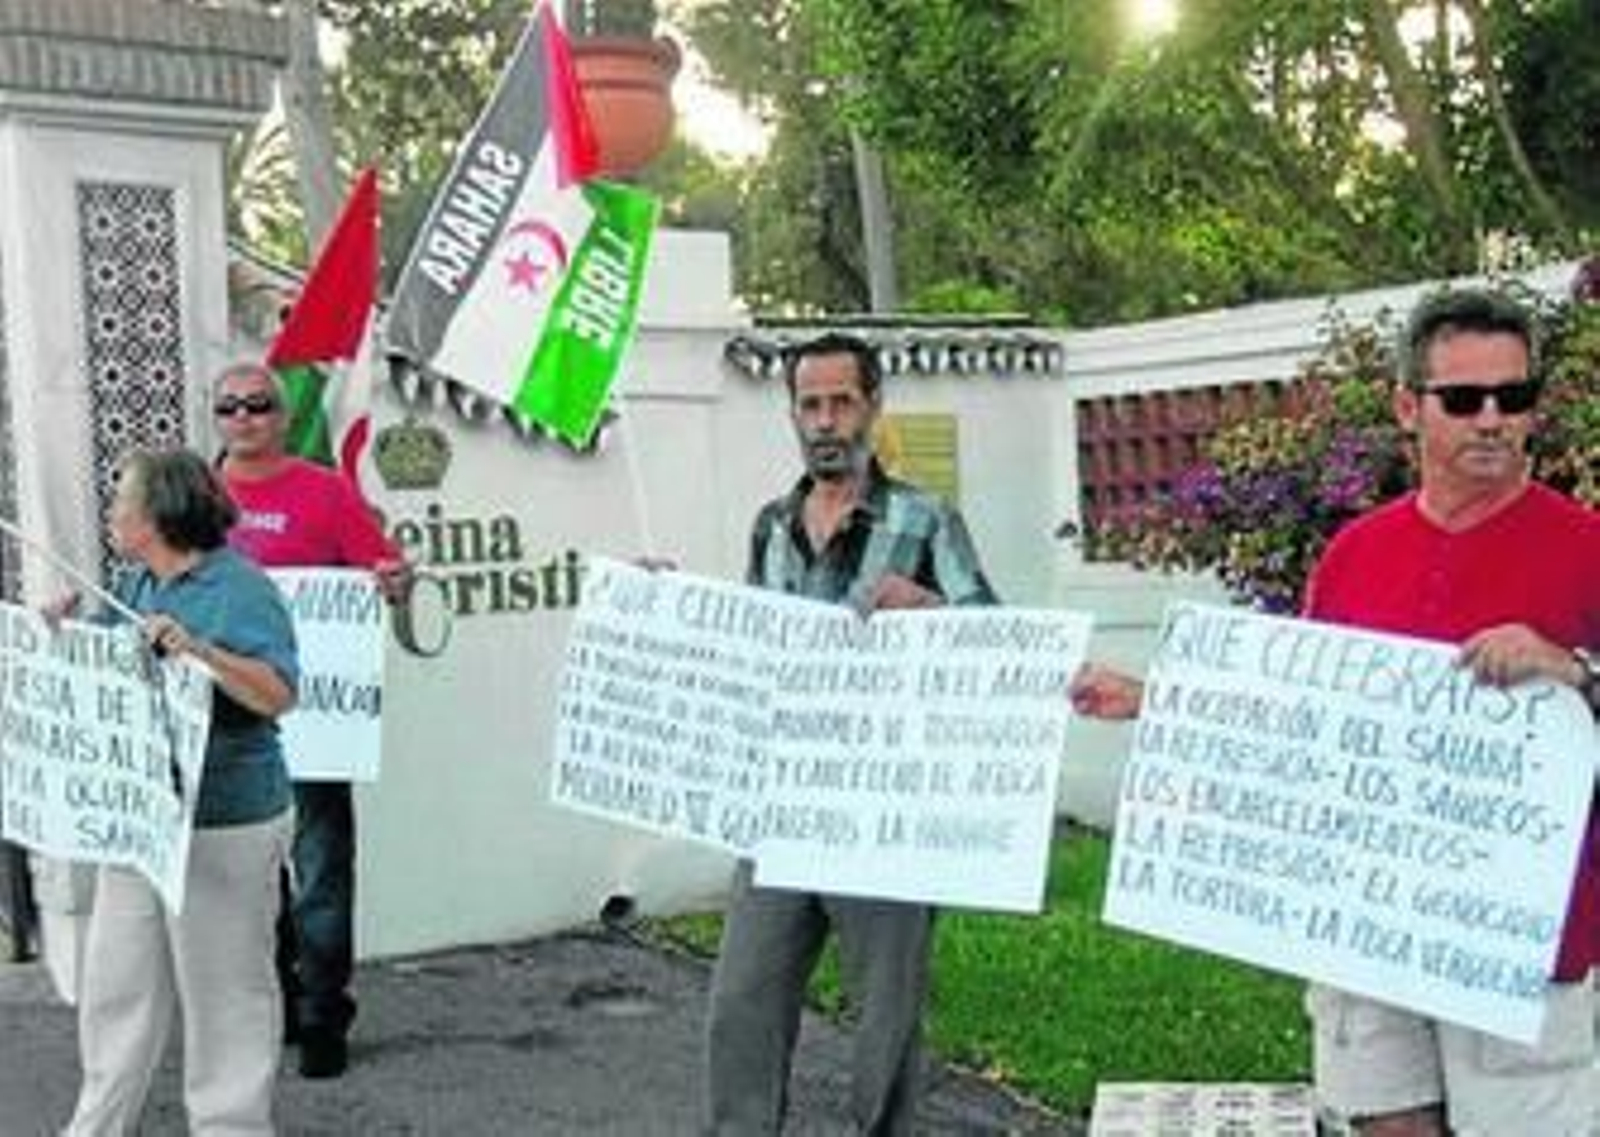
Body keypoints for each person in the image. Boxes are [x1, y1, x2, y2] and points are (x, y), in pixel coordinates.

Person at [1072, 287, 1600, 1136]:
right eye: (1464, 398)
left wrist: (1572, 668)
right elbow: (1304, 714)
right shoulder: (1355, 554)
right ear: (1407, 407)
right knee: (1384, 1119)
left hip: (1523, 933)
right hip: (1368, 913)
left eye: (1515, 395)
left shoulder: (1587, 545)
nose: (1493, 418)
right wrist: (1154, 698)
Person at [703, 332, 999, 1135]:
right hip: (782, 802)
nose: (826, 420)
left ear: (873, 406)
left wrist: (929, 608)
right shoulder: (771, 525)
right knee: (741, 1001)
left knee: (886, 1020)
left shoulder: (926, 518)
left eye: (841, 401)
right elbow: (746, 640)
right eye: (810, 404)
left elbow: (993, 637)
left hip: (881, 809)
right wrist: (664, 609)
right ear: (792, 413)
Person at [64, 448, 299, 1135]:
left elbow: (277, 694)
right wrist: (57, 632)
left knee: (225, 990)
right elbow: (100, 673)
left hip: (225, 819)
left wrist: (197, 650)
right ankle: (98, 1124)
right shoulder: (134, 583)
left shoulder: (242, 589)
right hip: (144, 814)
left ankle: (231, 1127)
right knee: (116, 984)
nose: (112, 512)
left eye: (123, 501)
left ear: (159, 515)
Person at [212, 361, 408, 1080]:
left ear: (283, 414)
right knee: (247, 872)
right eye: (229, 407)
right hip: (226, 722)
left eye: (258, 404)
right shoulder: (197, 494)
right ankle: (278, 1002)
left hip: (316, 721)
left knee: (320, 865)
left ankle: (325, 1011)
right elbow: (156, 577)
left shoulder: (326, 492)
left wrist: (395, 579)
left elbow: (387, 575)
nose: (244, 417)